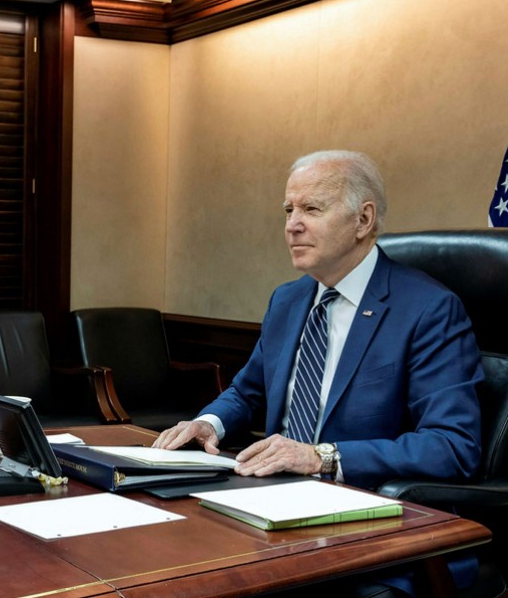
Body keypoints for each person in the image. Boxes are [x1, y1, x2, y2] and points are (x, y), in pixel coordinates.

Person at [153, 150, 484, 597]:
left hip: (373, 527)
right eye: (288, 209)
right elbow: (247, 392)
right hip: (271, 508)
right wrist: (208, 423)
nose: (292, 225)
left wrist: (321, 457)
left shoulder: (428, 310)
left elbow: (452, 445)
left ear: (363, 220)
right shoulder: (288, 300)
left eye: (311, 209)